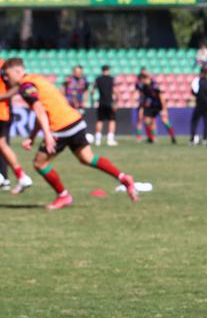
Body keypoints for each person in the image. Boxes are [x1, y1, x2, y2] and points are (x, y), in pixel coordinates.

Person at [0, 58, 138, 210]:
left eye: (7, 74)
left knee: (40, 163)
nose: (5, 78)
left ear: (17, 71)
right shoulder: (35, 79)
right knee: (87, 158)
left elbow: (39, 109)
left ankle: (63, 195)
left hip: (60, 127)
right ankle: (124, 178)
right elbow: (42, 109)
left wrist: (47, 135)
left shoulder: (26, 87)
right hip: (75, 121)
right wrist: (32, 137)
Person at [0, 59, 33, 194]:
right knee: (2, 145)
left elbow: (18, 84)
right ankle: (21, 177)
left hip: (2, 112)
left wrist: (3, 96)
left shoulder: (2, 65)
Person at [139, 76, 176, 144]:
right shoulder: (144, 87)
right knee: (147, 122)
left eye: (143, 80)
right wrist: (143, 107)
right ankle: (150, 139)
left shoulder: (154, 86)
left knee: (165, 121)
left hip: (158, 106)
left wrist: (164, 109)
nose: (143, 82)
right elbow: (144, 98)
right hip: (150, 107)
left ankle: (173, 137)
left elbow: (161, 97)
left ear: (147, 79)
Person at [92, 65, 118, 146]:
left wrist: (94, 100)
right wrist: (116, 102)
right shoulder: (111, 79)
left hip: (101, 102)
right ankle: (110, 140)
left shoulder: (98, 79)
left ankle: (97, 140)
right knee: (112, 120)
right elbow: (115, 91)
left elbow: (92, 90)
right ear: (108, 70)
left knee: (100, 120)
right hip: (110, 102)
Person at [190, 66, 207, 146]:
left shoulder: (197, 80)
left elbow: (194, 91)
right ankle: (205, 138)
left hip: (199, 104)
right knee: (206, 122)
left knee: (194, 121)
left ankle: (193, 138)